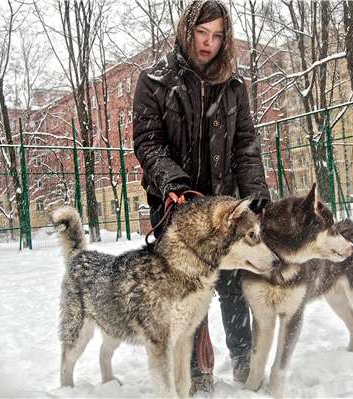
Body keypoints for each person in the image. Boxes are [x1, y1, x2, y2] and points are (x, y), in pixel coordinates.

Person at [132, 0, 270, 394]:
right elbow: (147, 141)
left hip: (224, 206)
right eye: (201, 33)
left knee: (231, 283)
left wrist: (256, 192)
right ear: (187, 29)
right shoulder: (155, 82)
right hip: (178, 208)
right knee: (188, 292)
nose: (208, 43)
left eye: (217, 36)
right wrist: (173, 183)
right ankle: (197, 373)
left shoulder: (234, 86)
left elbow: (245, 144)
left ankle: (243, 358)